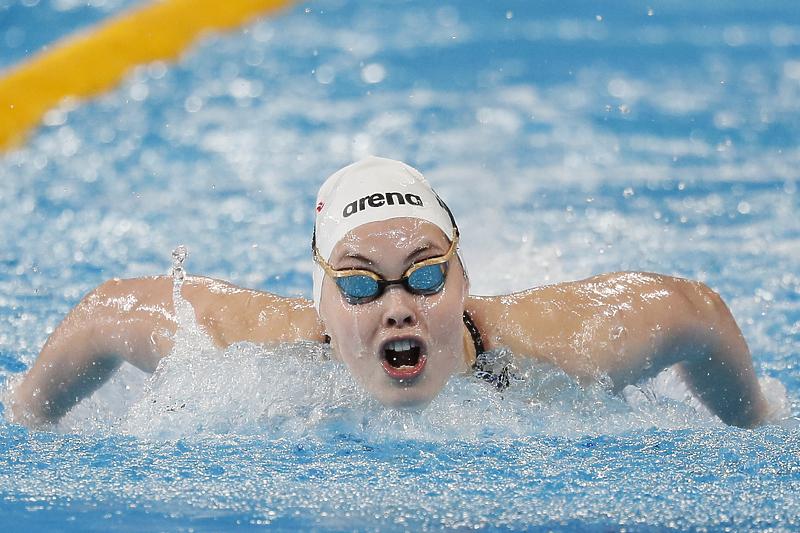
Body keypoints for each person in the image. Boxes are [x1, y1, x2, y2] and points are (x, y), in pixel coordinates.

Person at [6, 156, 774, 429]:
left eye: (428, 272)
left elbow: (692, 311)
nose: (399, 304)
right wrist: (24, 420)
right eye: (361, 283)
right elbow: (107, 314)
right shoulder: (246, 354)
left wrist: (759, 420)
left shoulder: (560, 347)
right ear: (323, 305)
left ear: (463, 278)